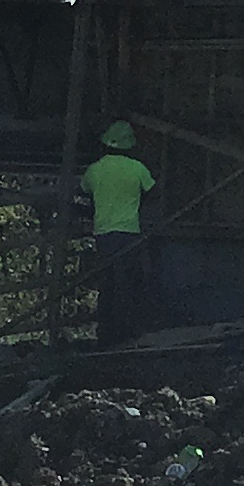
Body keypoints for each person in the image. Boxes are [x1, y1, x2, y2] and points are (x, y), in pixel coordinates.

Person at [81, 119, 158, 346]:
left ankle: (105, 332)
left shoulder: (94, 169)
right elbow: (154, 192)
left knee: (108, 283)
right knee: (127, 282)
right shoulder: (138, 168)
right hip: (129, 232)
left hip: (103, 233)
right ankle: (125, 332)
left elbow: (84, 190)